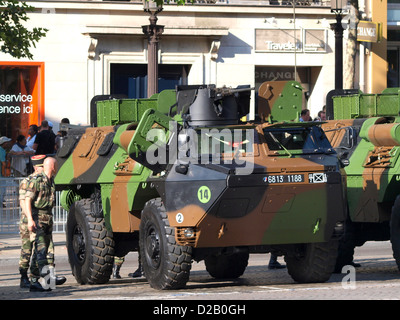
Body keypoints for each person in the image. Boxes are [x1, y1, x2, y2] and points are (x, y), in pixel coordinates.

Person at [24, 157, 59, 291]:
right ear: (52, 166)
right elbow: (27, 200)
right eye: (56, 165)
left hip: (47, 219)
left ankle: (34, 281)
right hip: (38, 218)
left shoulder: (51, 181)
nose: (57, 168)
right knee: (41, 251)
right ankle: (41, 280)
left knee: (43, 251)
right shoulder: (38, 180)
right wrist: (30, 220)